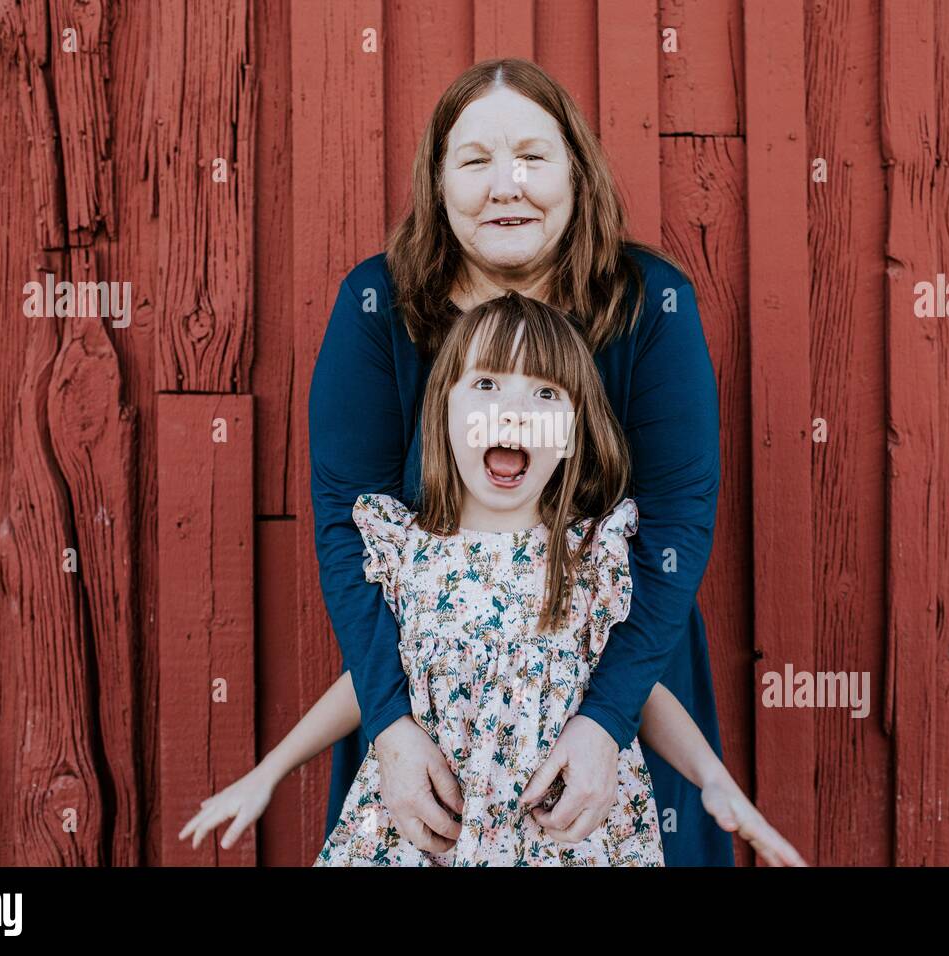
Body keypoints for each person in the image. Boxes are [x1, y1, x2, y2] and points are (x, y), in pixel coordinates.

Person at [180, 294, 805, 867]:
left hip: (560, 843)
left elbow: (639, 696)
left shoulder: (590, 560)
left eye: (545, 394)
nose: (511, 412)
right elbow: (369, 682)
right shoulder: (410, 554)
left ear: (571, 436)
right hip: (431, 838)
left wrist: (714, 779)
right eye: (485, 384)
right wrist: (269, 771)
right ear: (443, 414)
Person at [311, 57, 734, 865]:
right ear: (438, 182)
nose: (507, 185)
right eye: (474, 161)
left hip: (627, 683)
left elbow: (678, 524)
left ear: (577, 172)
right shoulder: (378, 308)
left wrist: (606, 722)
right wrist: (391, 726)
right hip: (429, 709)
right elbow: (347, 530)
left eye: (535, 158)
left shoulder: (649, 305)